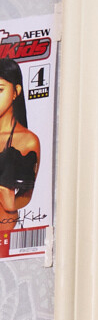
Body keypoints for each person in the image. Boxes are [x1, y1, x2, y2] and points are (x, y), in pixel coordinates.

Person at [0, 59, 40, 233]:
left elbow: (25, 196)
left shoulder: (27, 141)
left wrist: (9, 201)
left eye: (0, 90)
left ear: (16, 91)